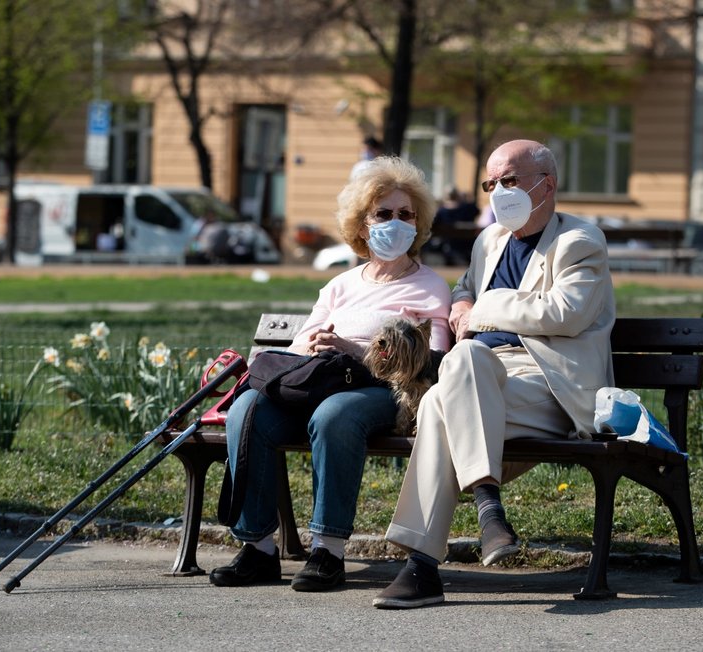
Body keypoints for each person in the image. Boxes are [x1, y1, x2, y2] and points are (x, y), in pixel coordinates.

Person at [372, 139, 616, 609]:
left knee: (444, 398)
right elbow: (464, 289)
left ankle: (422, 566)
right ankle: (488, 510)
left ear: (547, 185)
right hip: (481, 378)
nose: (499, 192)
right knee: (457, 376)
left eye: (510, 181)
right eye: (491, 184)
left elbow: (566, 312)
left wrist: (481, 310)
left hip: (549, 383)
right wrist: (464, 302)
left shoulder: (581, 242)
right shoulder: (490, 241)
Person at [210, 156, 452, 593]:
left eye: (406, 215)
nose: (396, 223)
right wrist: (316, 342)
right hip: (318, 382)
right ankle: (258, 548)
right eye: (384, 214)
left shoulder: (430, 286)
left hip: (383, 390)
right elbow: (300, 346)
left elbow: (431, 363)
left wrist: (357, 351)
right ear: (362, 225)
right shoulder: (340, 284)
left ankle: (327, 550)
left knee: (335, 415)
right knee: (246, 409)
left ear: (419, 224)